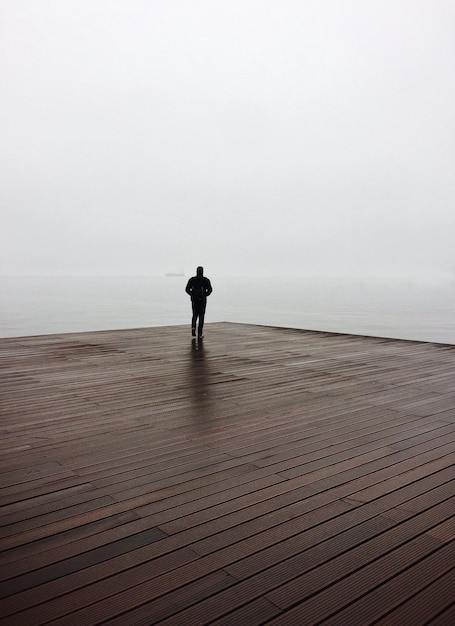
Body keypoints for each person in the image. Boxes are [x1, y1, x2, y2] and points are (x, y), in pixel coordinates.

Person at [185, 266, 212, 338]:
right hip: (202, 300)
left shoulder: (192, 280)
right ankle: (200, 333)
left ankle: (193, 329)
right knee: (201, 316)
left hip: (194, 299)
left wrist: (192, 294)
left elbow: (187, 289)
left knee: (194, 314)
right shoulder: (206, 280)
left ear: (196, 271)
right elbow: (210, 290)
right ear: (203, 271)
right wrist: (205, 295)